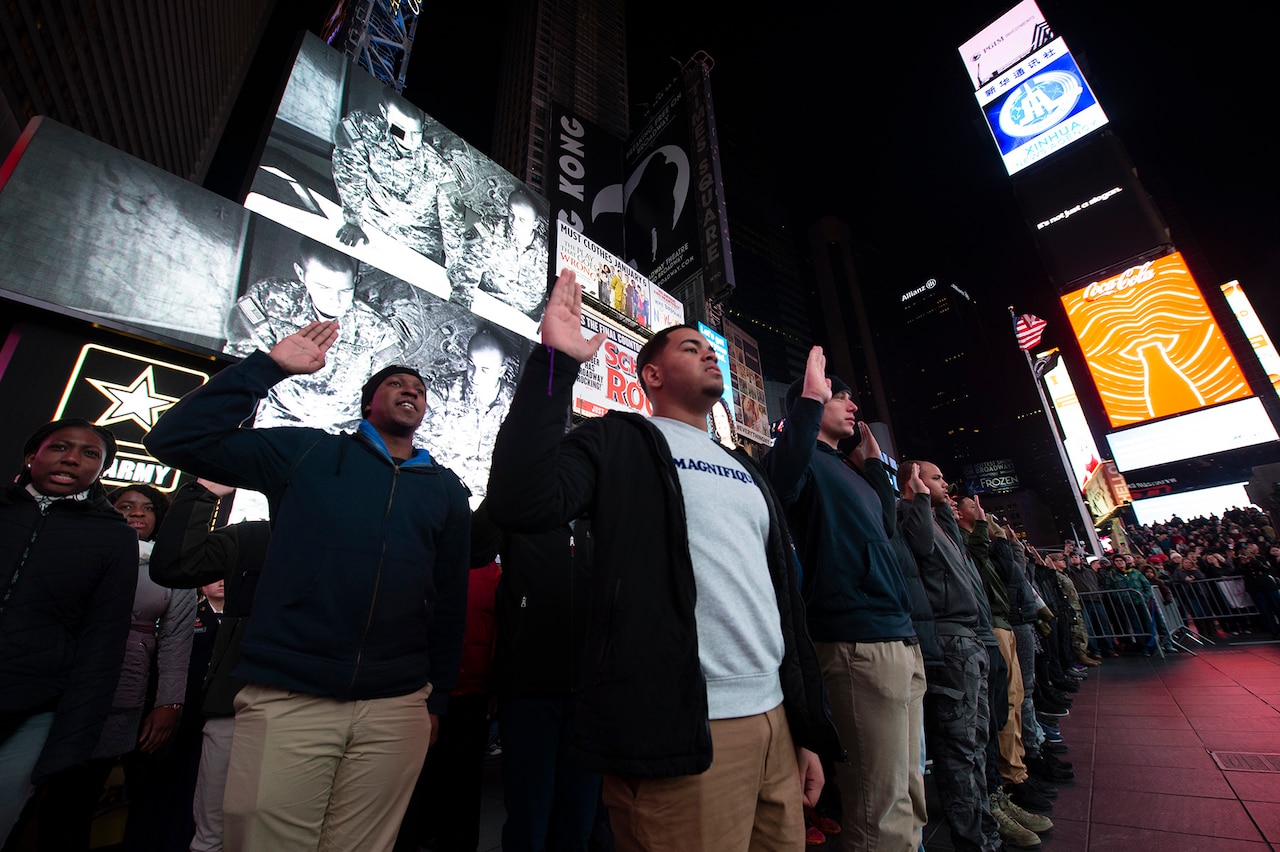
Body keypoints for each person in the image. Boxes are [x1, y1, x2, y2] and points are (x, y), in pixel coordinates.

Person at [486, 270, 841, 852]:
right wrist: (554, 365)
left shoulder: (746, 469)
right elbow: (520, 499)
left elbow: (779, 600)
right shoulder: (618, 441)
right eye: (690, 347)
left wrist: (801, 729)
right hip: (678, 732)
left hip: (773, 722)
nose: (709, 354)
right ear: (650, 374)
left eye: (710, 349)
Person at [145, 322, 472, 852]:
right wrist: (266, 369)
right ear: (369, 404)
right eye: (396, 383)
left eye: (419, 387)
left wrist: (434, 702)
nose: (410, 389)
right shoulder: (309, 454)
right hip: (290, 693)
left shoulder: (447, 490)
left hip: (398, 704)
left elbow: (449, 599)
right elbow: (175, 438)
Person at [762, 349, 924, 851]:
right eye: (839, 396)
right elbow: (778, 482)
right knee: (879, 809)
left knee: (908, 789)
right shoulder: (803, 457)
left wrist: (877, 468)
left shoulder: (847, 468)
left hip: (898, 634)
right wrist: (811, 399)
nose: (852, 405)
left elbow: (887, 528)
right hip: (856, 643)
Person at [35, 485, 196, 852]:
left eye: (147, 508)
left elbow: (176, 643)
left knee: (79, 798)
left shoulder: (172, 570)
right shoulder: (84, 552)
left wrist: (169, 704)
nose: (137, 512)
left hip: (121, 695)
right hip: (58, 687)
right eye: (125, 506)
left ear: (159, 518)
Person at [0, 420, 138, 846]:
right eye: (60, 447)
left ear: (100, 471)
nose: (73, 458)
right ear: (31, 456)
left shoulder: (114, 537)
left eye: (90, 454)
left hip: (35, 709)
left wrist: (72, 742)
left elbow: (104, 641)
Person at [147, 478, 272, 852]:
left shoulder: (367, 547)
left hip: (317, 707)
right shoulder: (254, 537)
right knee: (213, 835)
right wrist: (202, 493)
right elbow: (174, 565)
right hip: (234, 703)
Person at [224, 238, 402, 430]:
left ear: (356, 281)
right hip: (278, 415)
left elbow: (385, 389)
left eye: (345, 290)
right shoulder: (270, 298)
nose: (335, 300)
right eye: (324, 287)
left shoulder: (377, 329)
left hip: (342, 430)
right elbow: (240, 349)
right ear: (301, 274)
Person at [331, 96, 460, 266]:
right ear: (384, 113)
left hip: (419, 242)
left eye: (417, 132)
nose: (411, 140)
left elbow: (451, 215)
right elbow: (349, 166)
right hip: (372, 225)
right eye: (402, 131)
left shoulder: (440, 161)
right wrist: (352, 219)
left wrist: (454, 260)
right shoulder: (365, 128)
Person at [423, 328, 515, 501]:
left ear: (501, 371)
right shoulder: (444, 391)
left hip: (493, 506)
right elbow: (424, 445)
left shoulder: (518, 407)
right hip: (443, 496)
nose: (474, 375)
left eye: (485, 369)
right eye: (471, 364)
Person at [452, 186, 548, 316]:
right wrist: (460, 305)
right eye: (511, 213)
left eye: (522, 220)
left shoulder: (547, 253)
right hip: (488, 307)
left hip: (527, 320)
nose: (514, 222)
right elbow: (468, 264)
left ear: (535, 224)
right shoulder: (491, 228)